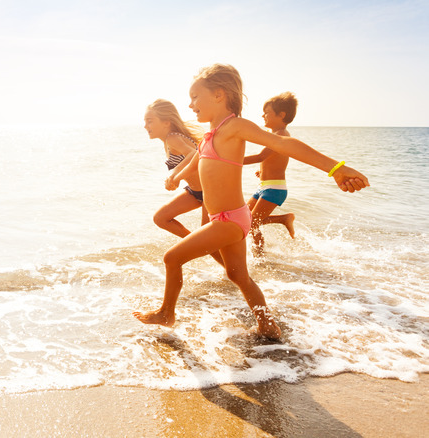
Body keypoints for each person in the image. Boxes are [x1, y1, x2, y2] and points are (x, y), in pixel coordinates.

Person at [133, 64, 369, 340]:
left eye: (196, 96)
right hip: (226, 218)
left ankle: (166, 313)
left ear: (219, 94)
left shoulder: (235, 126)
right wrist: (177, 176)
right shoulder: (212, 132)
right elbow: (198, 157)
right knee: (238, 277)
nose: (190, 104)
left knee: (171, 258)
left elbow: (285, 145)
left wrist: (336, 168)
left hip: (230, 219)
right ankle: (267, 325)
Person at [144, 99, 224, 266]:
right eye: (145, 122)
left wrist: (175, 175)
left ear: (166, 122)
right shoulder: (168, 140)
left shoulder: (172, 138)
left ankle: (235, 273)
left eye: (150, 121)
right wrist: (177, 175)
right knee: (161, 218)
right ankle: (196, 243)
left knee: (207, 239)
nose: (146, 126)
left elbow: (195, 153)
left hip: (209, 191)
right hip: (196, 192)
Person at [243, 92, 298, 255]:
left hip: (274, 189)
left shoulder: (281, 135)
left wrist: (230, 160)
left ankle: (259, 257)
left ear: (281, 115)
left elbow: (261, 156)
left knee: (251, 223)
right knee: (245, 219)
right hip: (265, 187)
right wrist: (263, 171)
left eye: (266, 113)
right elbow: (273, 159)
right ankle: (282, 219)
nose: (263, 115)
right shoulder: (276, 135)